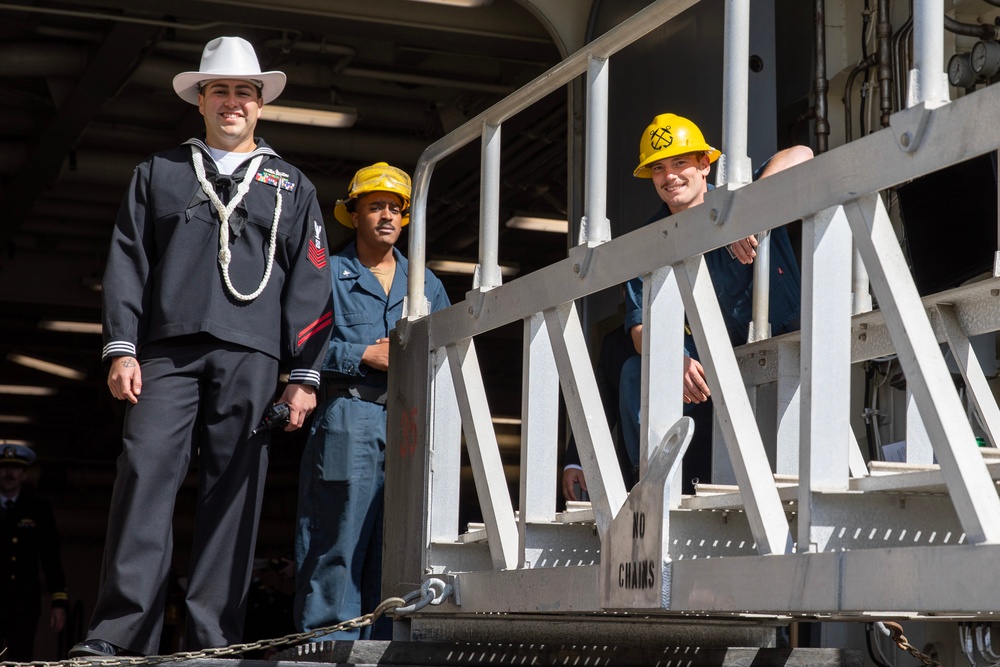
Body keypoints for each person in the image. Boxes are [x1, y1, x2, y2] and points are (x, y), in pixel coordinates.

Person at [70, 36, 334, 658]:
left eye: (246, 92)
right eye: (222, 91)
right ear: (201, 101)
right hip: (165, 351)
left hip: (253, 354)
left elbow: (312, 281)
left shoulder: (292, 186)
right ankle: (117, 634)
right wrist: (121, 347)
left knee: (236, 493)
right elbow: (127, 262)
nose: (233, 102)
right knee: (143, 477)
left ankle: (213, 641)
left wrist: (305, 374)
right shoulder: (157, 173)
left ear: (261, 104)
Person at [294, 162, 450, 641]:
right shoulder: (327, 275)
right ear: (354, 215)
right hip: (349, 416)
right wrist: (359, 352)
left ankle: (387, 644)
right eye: (375, 206)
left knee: (399, 543)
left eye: (395, 209)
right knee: (339, 534)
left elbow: (446, 357)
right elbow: (301, 344)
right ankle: (327, 643)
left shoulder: (426, 285)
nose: (386, 216)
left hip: (409, 423)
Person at [619, 113, 812, 494]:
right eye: (658, 168)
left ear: (705, 164)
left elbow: (802, 154)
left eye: (680, 163)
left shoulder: (741, 196)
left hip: (785, 344)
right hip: (710, 366)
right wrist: (673, 356)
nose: (670, 176)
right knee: (633, 373)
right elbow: (640, 330)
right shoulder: (648, 242)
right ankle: (653, 488)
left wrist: (742, 215)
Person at [0, 444, 67, 661]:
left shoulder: (37, 508)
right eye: (4, 468)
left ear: (24, 473)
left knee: (20, 659)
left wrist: (59, 602)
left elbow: (50, 556)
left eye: (15, 468)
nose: (9, 473)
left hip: (24, 602)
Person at [561, 324, 638, 501]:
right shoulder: (614, 342)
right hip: (634, 474)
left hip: (697, 466)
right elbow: (601, 407)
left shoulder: (697, 327)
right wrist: (576, 459)